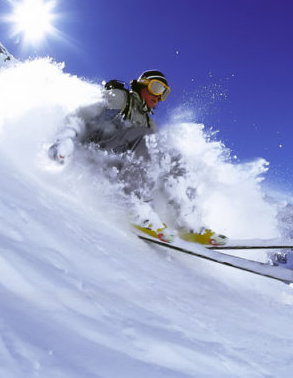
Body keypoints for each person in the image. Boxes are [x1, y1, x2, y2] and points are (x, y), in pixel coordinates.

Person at [48, 70, 226, 246]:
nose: (158, 96)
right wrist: (65, 140)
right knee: (148, 138)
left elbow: (154, 163)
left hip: (121, 169)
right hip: (95, 157)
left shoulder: (150, 123)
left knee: (174, 158)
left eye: (164, 93)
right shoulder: (120, 98)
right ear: (142, 85)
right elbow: (80, 116)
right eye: (156, 88)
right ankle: (137, 210)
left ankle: (188, 223)